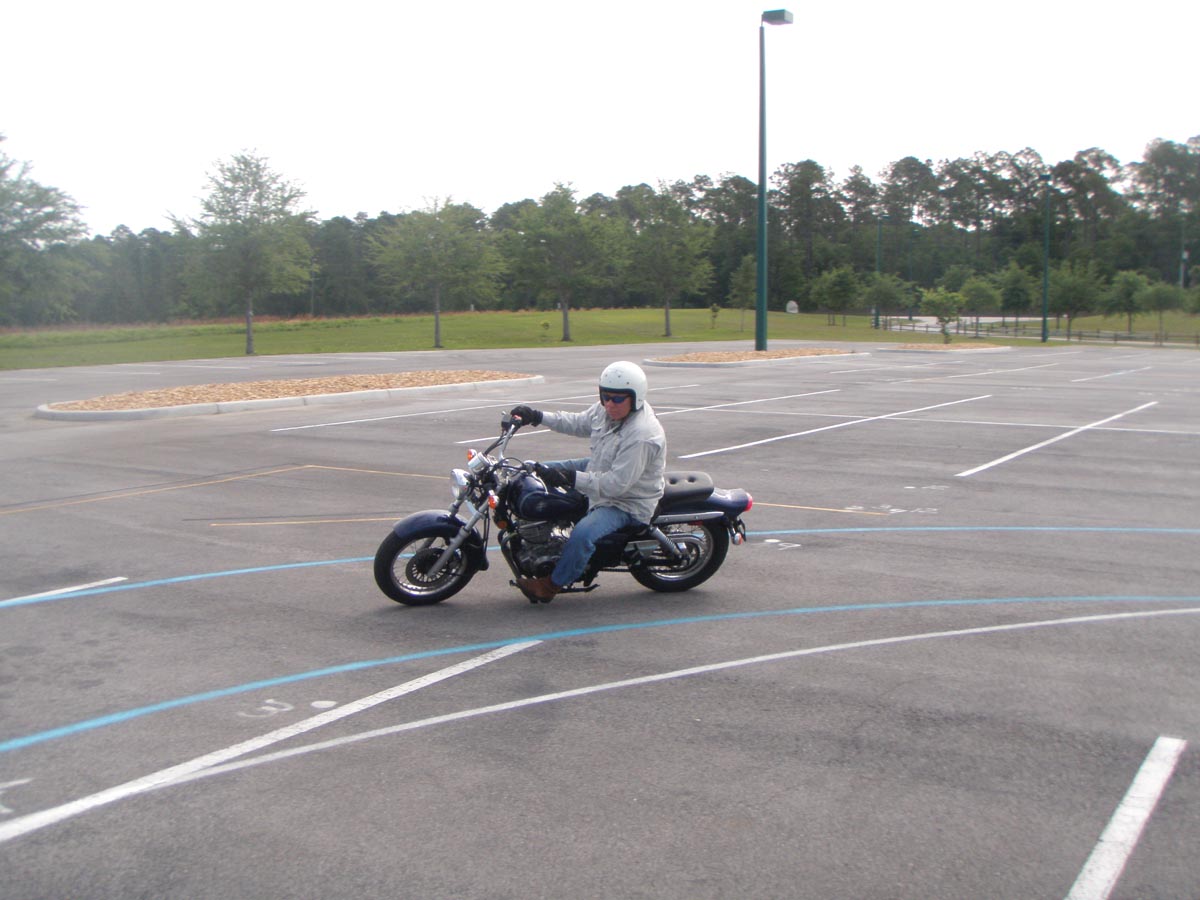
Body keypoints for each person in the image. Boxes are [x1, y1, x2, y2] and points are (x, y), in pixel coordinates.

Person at [510, 360, 666, 602]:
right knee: (534, 470)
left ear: (636, 397)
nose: (610, 403)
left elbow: (616, 485)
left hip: (627, 501)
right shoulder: (606, 411)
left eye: (618, 398)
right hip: (600, 468)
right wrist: (537, 416)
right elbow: (577, 422)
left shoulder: (643, 434)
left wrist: (570, 478)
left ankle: (551, 585)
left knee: (582, 534)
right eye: (605, 396)